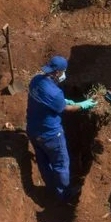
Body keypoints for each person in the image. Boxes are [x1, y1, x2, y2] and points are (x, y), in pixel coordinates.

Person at [26, 56, 96, 202]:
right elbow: (67, 109)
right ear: (57, 72)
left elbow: (45, 99)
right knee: (61, 164)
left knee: (43, 160)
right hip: (51, 135)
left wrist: (63, 100)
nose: (64, 74)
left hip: (33, 130)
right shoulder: (55, 93)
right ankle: (65, 194)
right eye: (63, 71)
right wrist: (84, 104)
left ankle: (51, 188)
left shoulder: (36, 80)